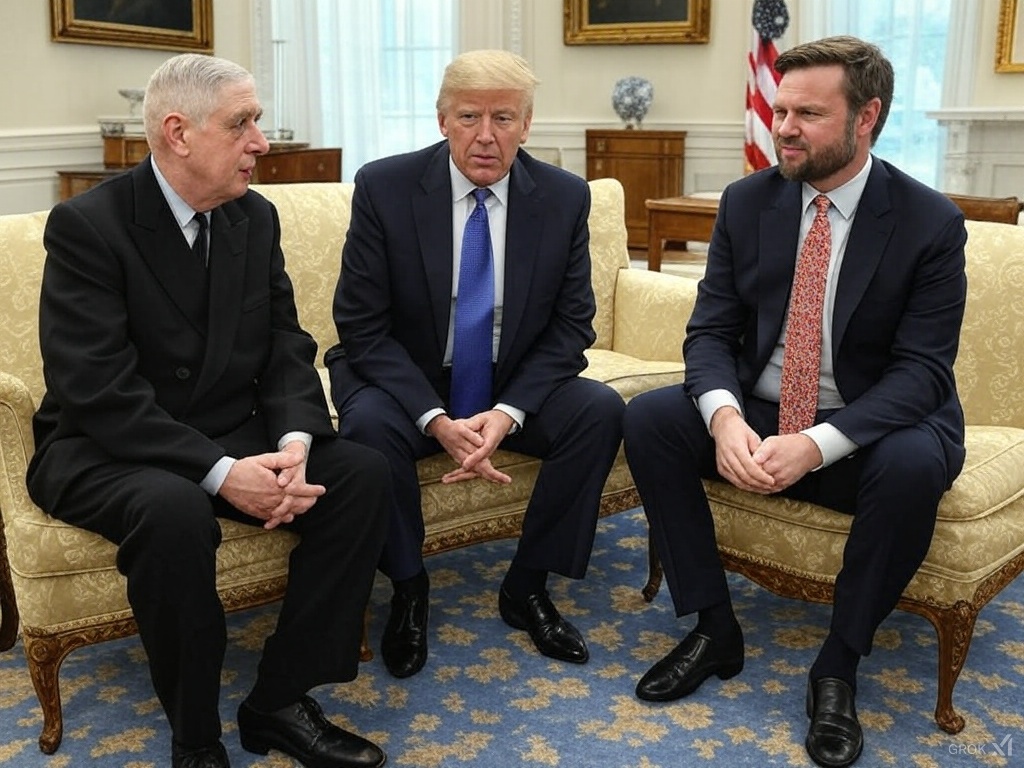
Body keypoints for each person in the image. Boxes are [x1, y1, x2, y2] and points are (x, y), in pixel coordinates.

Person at [27, 53, 390, 768]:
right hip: (104, 445)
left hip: (233, 429)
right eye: (243, 123)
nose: (261, 141)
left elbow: (289, 344)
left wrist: (293, 442)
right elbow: (98, 389)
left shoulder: (253, 217)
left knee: (363, 475)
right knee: (174, 511)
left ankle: (279, 701)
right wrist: (222, 473)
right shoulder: (88, 227)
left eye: (257, 121)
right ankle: (195, 738)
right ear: (178, 132)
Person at [622, 36, 967, 768]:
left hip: (872, 427)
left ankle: (838, 666)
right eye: (780, 110)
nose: (783, 127)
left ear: (865, 117)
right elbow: (711, 329)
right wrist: (722, 416)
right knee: (651, 418)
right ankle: (715, 627)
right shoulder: (748, 202)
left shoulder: (927, 221)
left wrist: (817, 443)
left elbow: (921, 374)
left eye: (807, 113)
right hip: (761, 412)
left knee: (912, 466)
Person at [326, 49, 624, 680]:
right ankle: (409, 589)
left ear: (528, 123)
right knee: (369, 432)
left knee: (597, 410)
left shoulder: (565, 197)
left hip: (506, 378)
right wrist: (434, 417)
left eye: (504, 118)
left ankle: (528, 585)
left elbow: (573, 325)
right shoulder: (385, 186)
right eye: (469, 116)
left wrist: (508, 413)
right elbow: (361, 325)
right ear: (441, 120)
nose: (486, 135)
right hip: (406, 375)